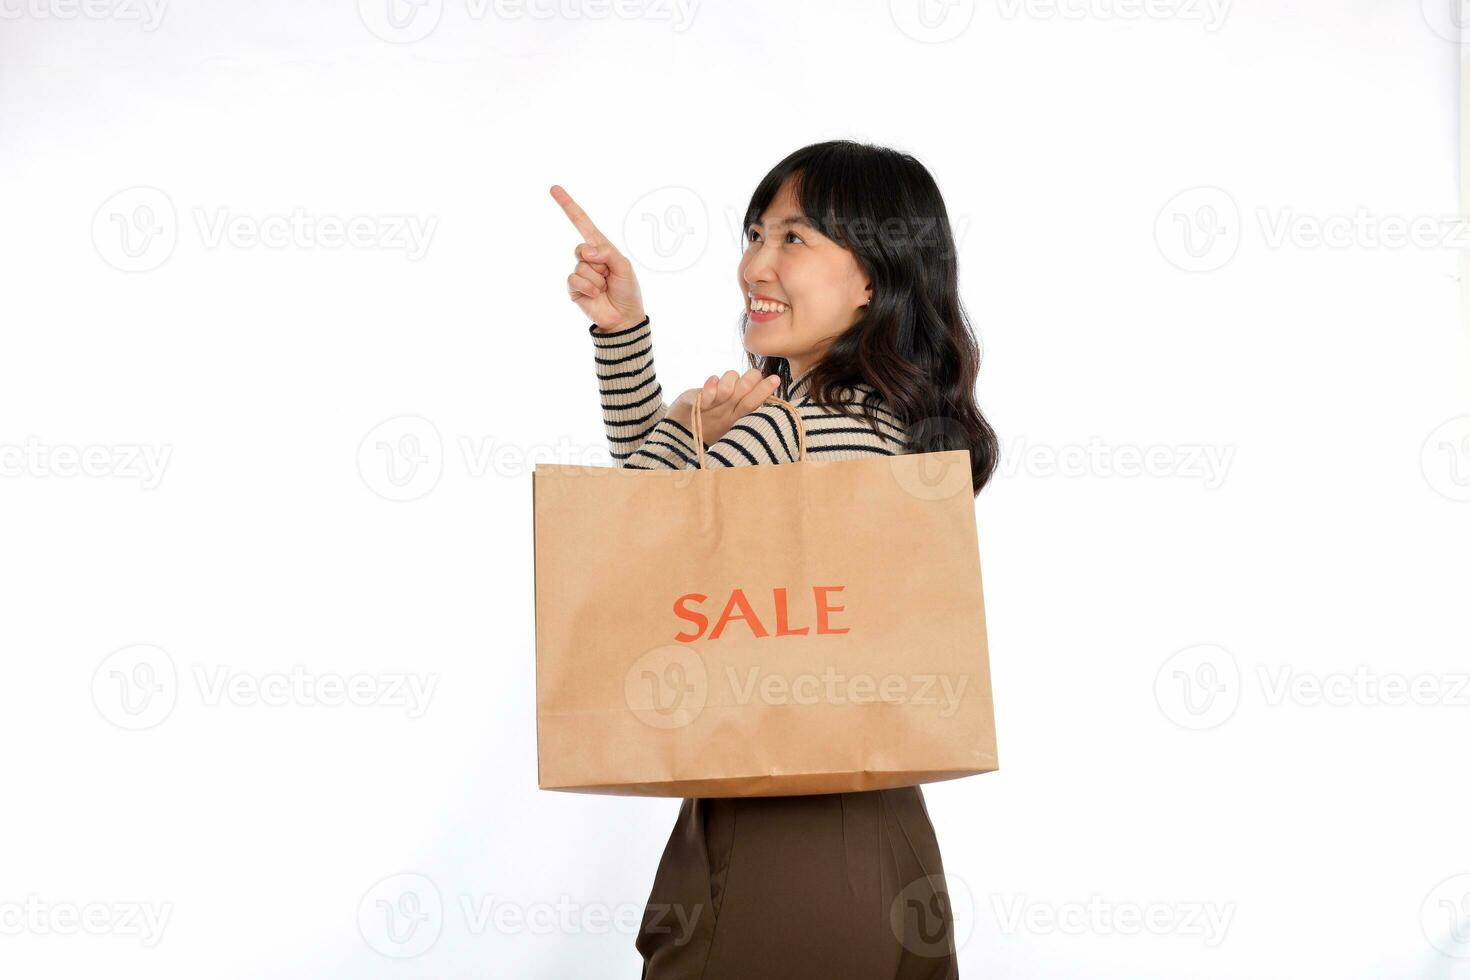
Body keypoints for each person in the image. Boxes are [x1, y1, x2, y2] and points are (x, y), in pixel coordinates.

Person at [551, 139, 998, 979]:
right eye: (755, 233)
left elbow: (630, 552)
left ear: (873, 277)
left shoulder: (792, 424)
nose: (756, 263)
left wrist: (685, 419)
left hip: (778, 846)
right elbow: (674, 518)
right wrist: (642, 365)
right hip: (892, 834)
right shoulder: (901, 423)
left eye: (794, 239)